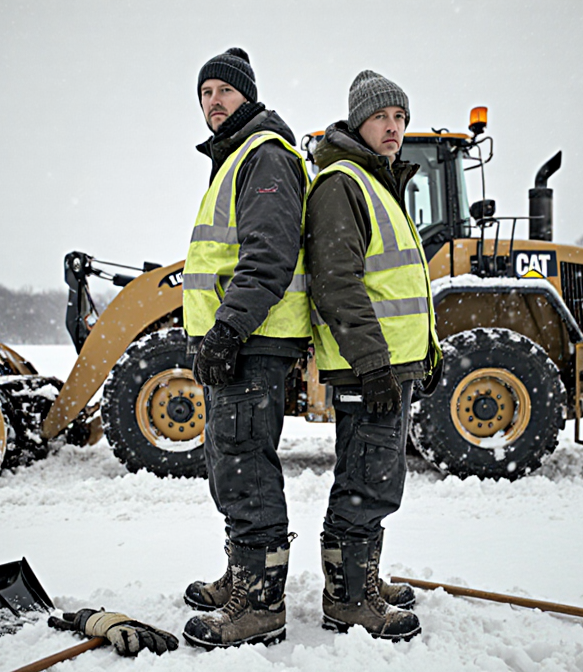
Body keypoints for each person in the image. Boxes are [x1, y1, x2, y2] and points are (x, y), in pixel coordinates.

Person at [179, 47, 310, 650]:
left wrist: (229, 329)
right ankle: (243, 575)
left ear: (246, 96)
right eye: (204, 92)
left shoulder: (262, 157)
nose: (212, 100)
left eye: (223, 91)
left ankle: (260, 604)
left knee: (246, 466)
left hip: (252, 340)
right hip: (238, 338)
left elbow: (268, 256)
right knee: (230, 463)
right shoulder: (236, 157)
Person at [304, 70, 442, 642]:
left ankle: (361, 578)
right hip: (371, 366)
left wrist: (426, 353)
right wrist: (373, 363)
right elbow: (338, 283)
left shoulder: (378, 182)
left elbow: (402, 288)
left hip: (391, 363)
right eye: (383, 117)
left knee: (377, 478)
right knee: (365, 479)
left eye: (401, 118)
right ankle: (348, 599)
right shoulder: (344, 183)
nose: (394, 127)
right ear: (360, 121)